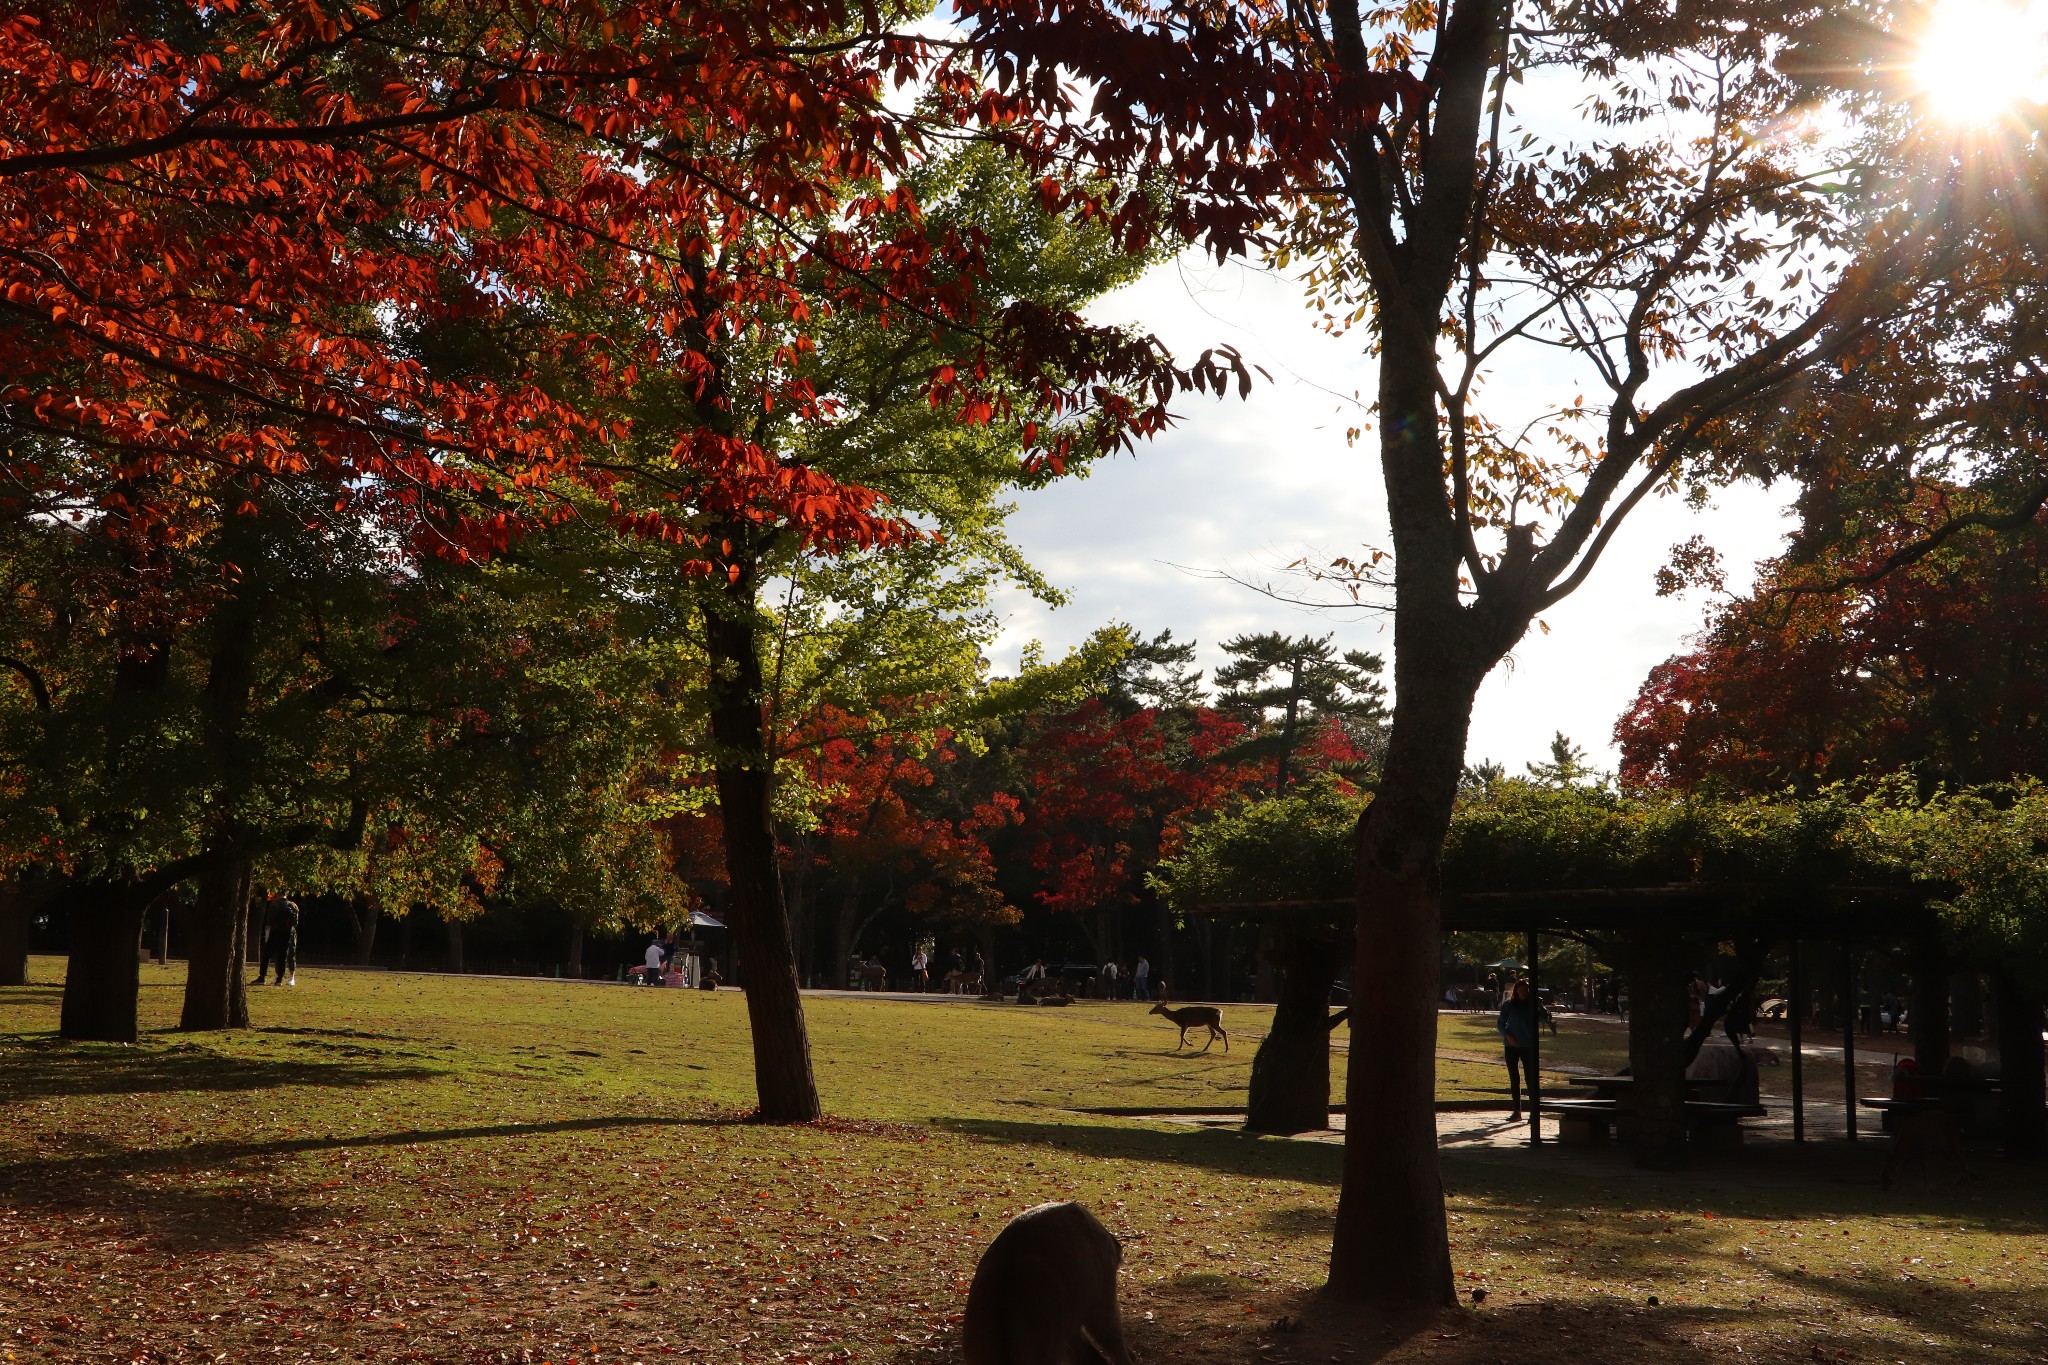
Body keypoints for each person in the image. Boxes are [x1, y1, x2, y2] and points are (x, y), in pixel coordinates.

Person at [1496, 978, 1555, 1120]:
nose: (1523, 992)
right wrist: (1507, 1035)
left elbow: (1544, 1019)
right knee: (1514, 1079)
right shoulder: (1509, 1005)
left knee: (1530, 1079)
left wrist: (1540, 1005)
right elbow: (1500, 1023)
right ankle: (1517, 1111)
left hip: (1528, 1046)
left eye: (1526, 990)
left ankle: (1534, 1112)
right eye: (1521, 990)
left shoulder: (1532, 1005)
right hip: (1511, 1046)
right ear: (1516, 991)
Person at [255, 889, 300, 986]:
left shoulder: (274, 905)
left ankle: (262, 977)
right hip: (287, 934)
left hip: (275, 932)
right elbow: (295, 922)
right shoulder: (293, 905)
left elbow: (269, 920)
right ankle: (279, 979)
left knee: (266, 955)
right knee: (283, 956)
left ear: (277, 894)